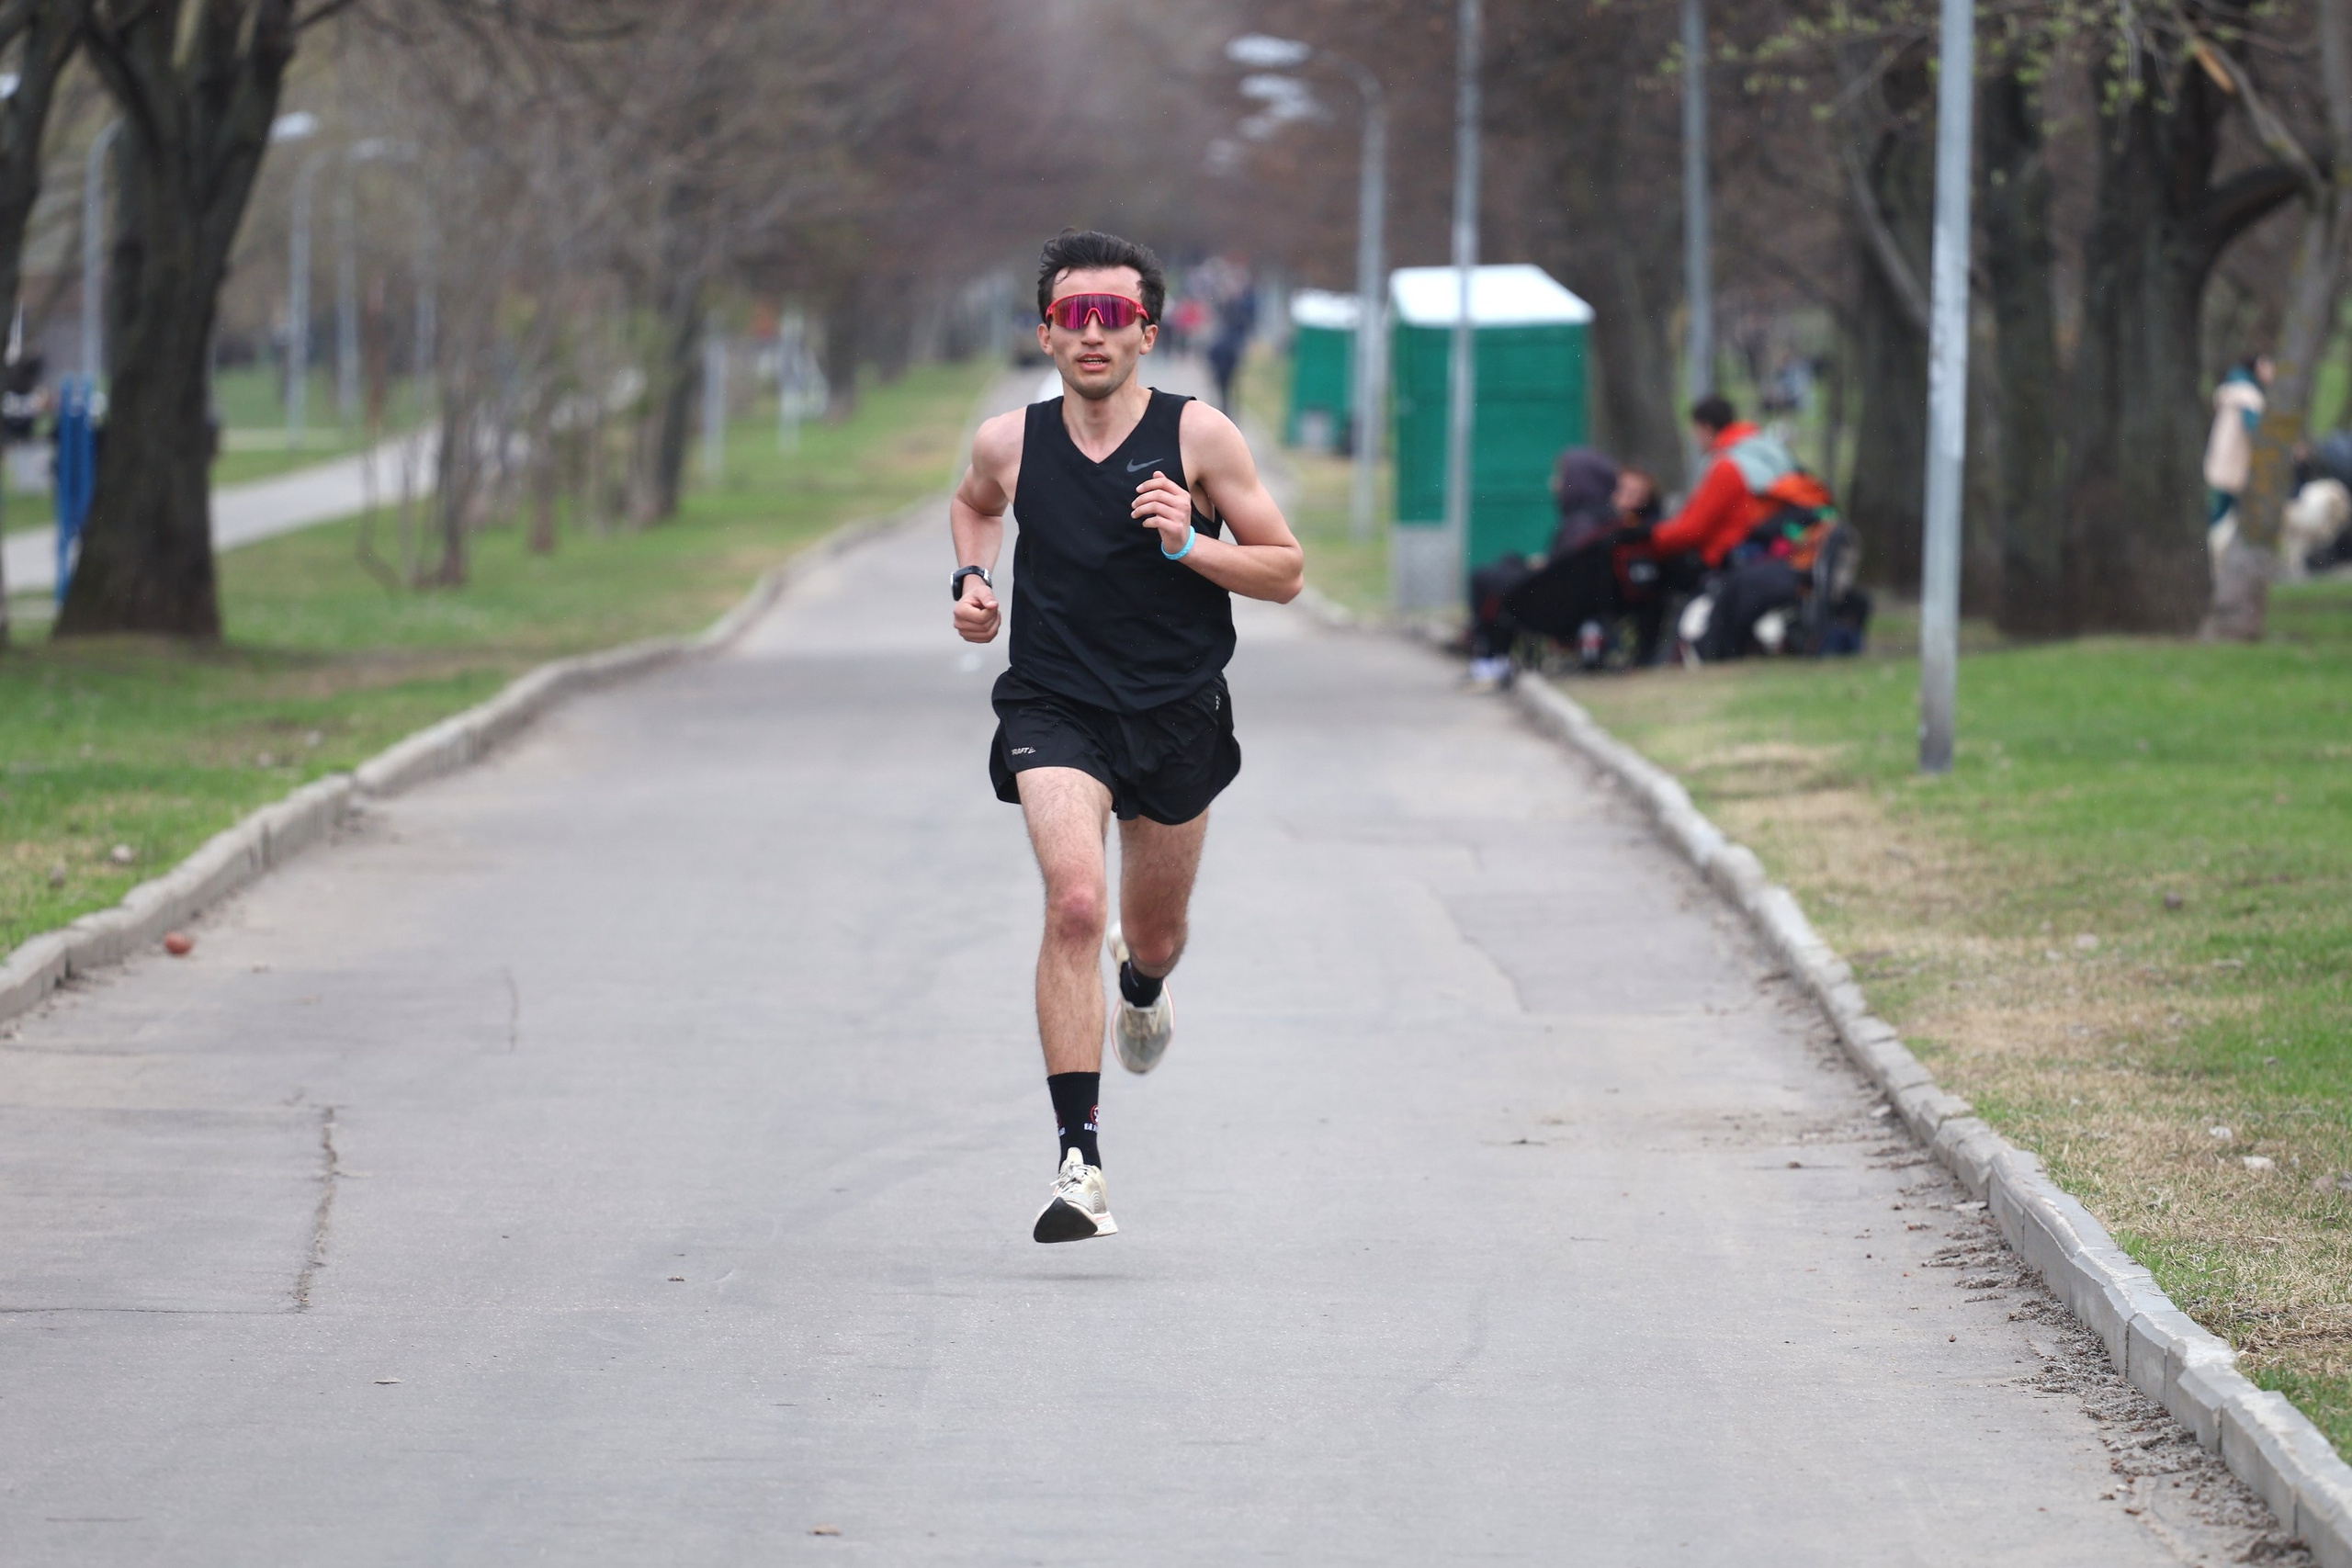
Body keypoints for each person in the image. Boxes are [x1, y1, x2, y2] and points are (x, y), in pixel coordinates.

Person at [948, 230, 1305, 1243]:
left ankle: (1142, 986)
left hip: (1176, 709)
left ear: (1149, 333)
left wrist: (1191, 541)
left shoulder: (1201, 439)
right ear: (1046, 334)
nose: (1092, 333)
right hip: (1054, 703)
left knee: (1150, 935)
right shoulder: (1007, 442)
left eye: (1114, 317)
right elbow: (973, 510)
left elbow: (1285, 569)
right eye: (1073, 315)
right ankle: (1080, 1167)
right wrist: (971, 582)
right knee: (1072, 903)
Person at [2204, 355, 2271, 526]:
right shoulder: (2249, 396)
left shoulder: (2233, 390)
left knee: (2219, 509)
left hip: (2222, 458)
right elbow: (2252, 427)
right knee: (2224, 514)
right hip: (2235, 464)